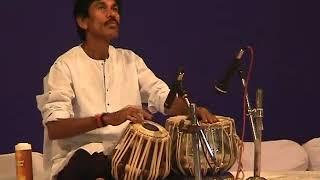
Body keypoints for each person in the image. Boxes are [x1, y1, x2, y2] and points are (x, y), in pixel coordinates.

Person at [36, 0, 217, 179]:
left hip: (128, 157)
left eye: (115, 8)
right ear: (83, 21)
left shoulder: (130, 60)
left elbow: (162, 97)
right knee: (95, 165)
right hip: (81, 160)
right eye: (102, 7)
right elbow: (55, 128)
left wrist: (193, 111)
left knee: (175, 171)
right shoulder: (64, 66)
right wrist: (107, 119)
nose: (111, 14)